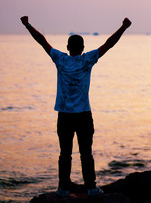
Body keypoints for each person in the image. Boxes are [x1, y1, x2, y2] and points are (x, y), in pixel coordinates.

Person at [20, 16, 131, 196]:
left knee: (65, 154)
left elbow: (42, 42)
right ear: (82, 49)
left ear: (67, 48)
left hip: (64, 115)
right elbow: (108, 44)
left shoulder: (60, 59)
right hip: (83, 115)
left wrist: (27, 25)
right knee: (86, 153)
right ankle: (90, 188)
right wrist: (123, 27)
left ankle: (63, 188)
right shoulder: (87, 60)